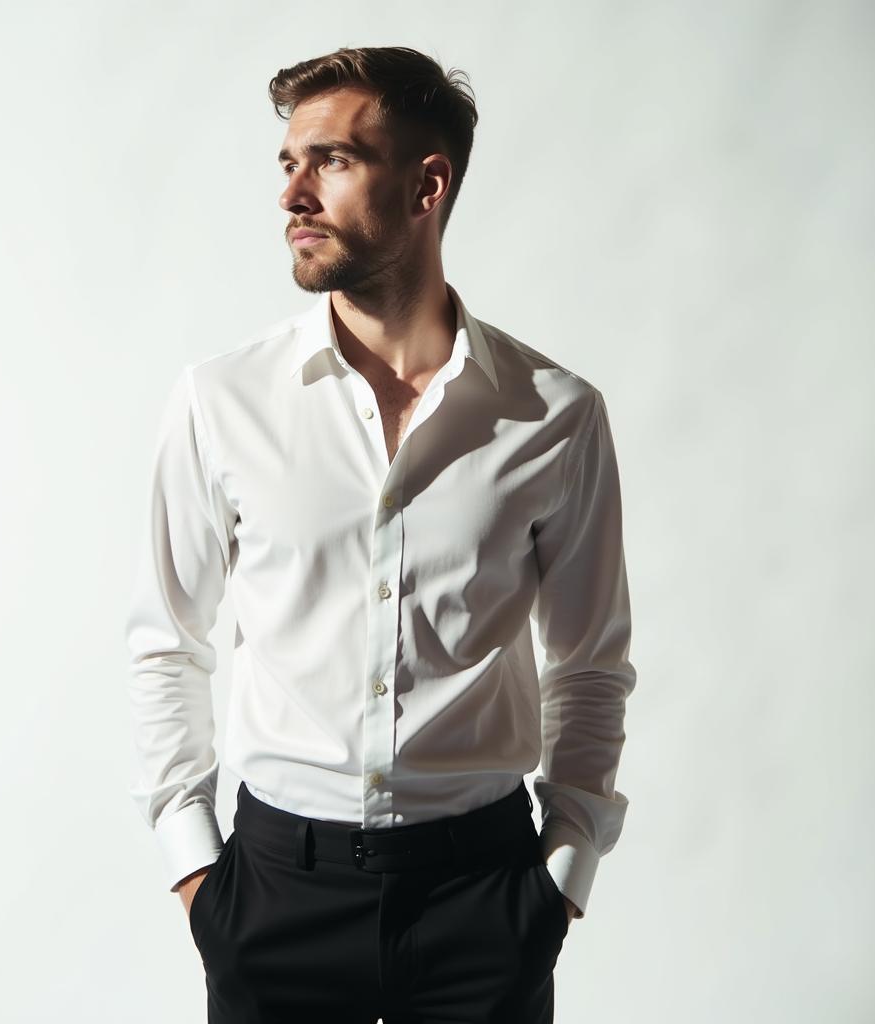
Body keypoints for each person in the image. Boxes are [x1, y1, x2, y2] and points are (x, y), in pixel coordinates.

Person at [124, 45, 637, 1024]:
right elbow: (166, 643)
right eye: (288, 164)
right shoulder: (221, 401)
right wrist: (198, 877)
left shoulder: (554, 416)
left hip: (483, 899)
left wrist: (558, 885)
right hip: (274, 894)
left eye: (332, 161)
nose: (293, 195)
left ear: (426, 186)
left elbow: (589, 666)